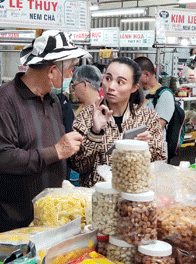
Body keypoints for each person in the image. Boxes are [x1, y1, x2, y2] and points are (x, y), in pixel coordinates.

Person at [0, 30, 88, 232]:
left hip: (51, 217)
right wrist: (55, 152)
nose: (71, 75)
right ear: (52, 71)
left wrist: (93, 130)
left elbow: (64, 151)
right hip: (17, 221)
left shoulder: (53, 101)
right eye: (69, 69)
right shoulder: (5, 100)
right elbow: (2, 157)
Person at [70, 57, 167, 187]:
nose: (111, 87)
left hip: (134, 196)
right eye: (108, 79)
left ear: (134, 88)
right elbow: (78, 166)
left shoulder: (148, 117)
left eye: (120, 82)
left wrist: (145, 149)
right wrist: (95, 133)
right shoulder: (87, 115)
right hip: (100, 198)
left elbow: (160, 164)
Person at [135, 56, 173, 130]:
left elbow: (158, 126)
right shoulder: (136, 92)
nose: (133, 79)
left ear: (146, 75)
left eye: (135, 76)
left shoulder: (165, 95)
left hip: (153, 141)